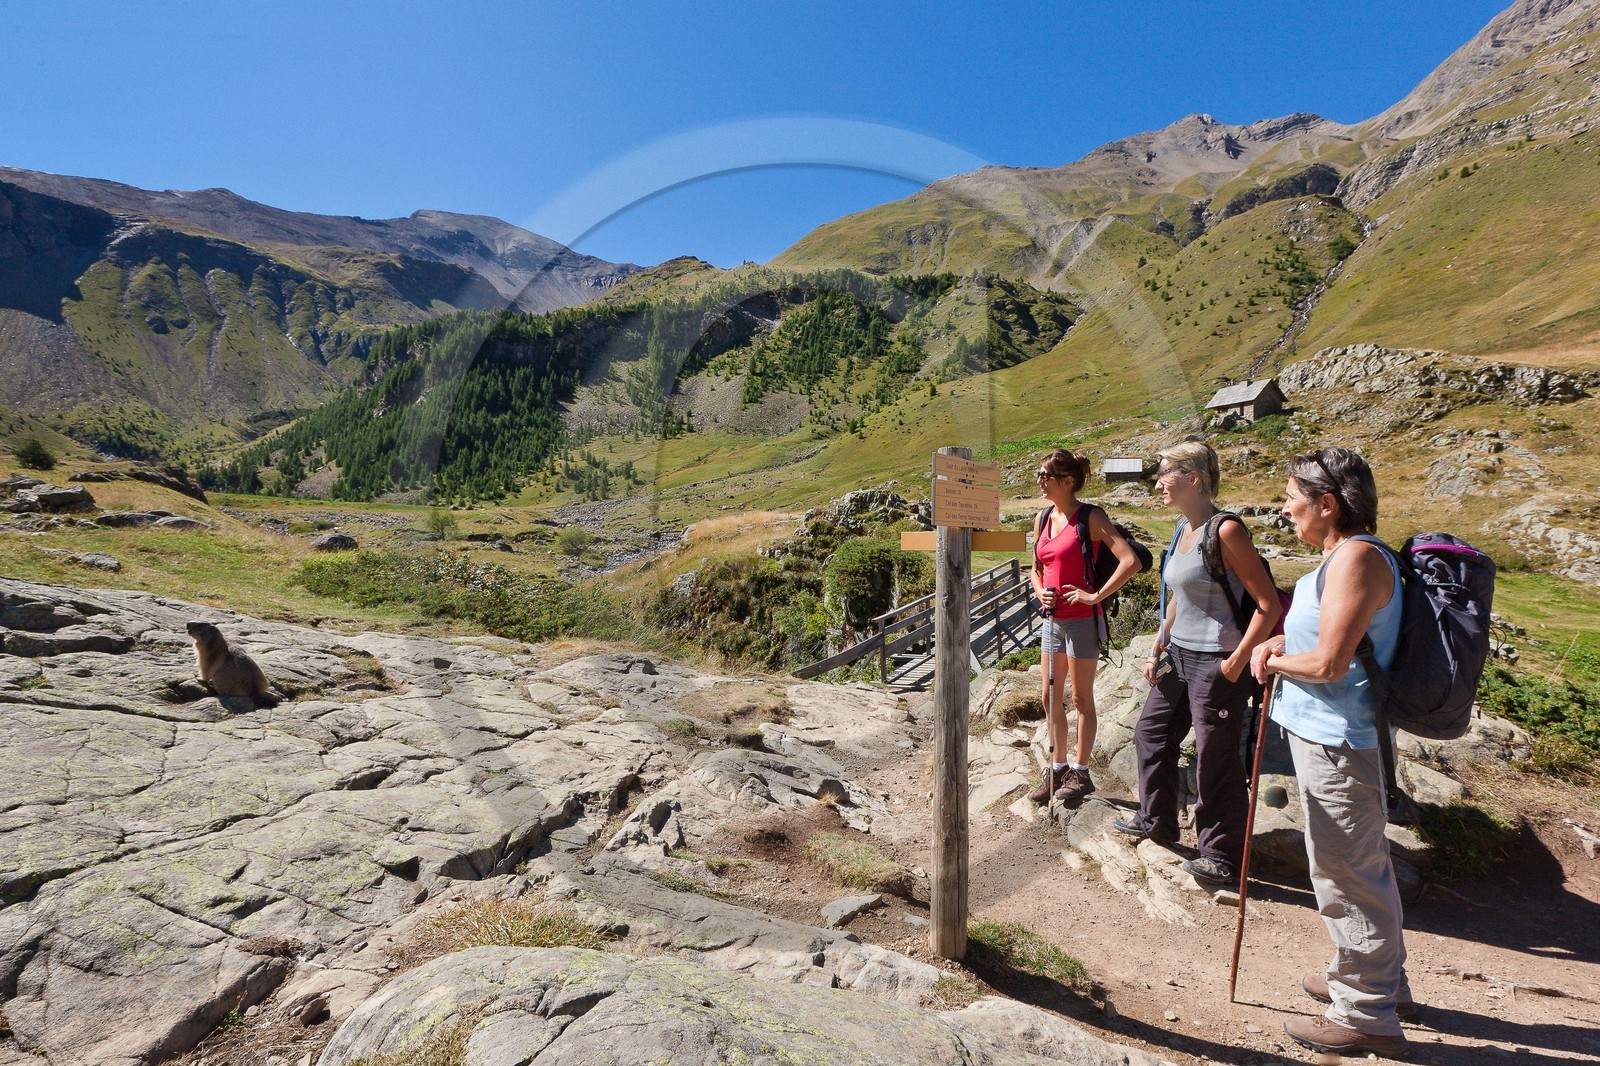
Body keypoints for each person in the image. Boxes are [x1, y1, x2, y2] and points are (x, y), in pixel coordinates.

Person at [1251, 447, 1414, 1060]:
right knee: (1349, 862)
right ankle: (1376, 977)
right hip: (1328, 733)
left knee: (1348, 869)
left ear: (1327, 504)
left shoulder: (1358, 558)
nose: (1284, 503)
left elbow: (1328, 663)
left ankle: (1367, 1012)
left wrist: (1270, 658)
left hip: (1341, 739)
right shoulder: (1343, 557)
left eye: (1292, 493)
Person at [1112, 439, 1281, 887]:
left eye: (1165, 471)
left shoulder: (1225, 531)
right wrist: (1157, 647)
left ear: (1193, 477)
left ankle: (1222, 855)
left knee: (1215, 759)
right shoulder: (1181, 530)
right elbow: (1175, 601)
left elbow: (1267, 604)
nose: (1157, 480)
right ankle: (1157, 820)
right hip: (1179, 657)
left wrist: (1237, 662)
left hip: (1217, 662)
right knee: (1151, 733)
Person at [1027, 449, 1143, 806]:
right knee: (1049, 697)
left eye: (1046, 475)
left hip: (1081, 622)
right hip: (1052, 621)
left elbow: (1131, 561)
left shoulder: (1091, 517)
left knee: (1080, 698)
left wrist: (1095, 597)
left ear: (1068, 481)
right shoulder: (1042, 517)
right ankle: (1058, 768)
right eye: (1040, 474)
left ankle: (1082, 771)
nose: (1040, 481)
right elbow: (1035, 568)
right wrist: (1039, 593)